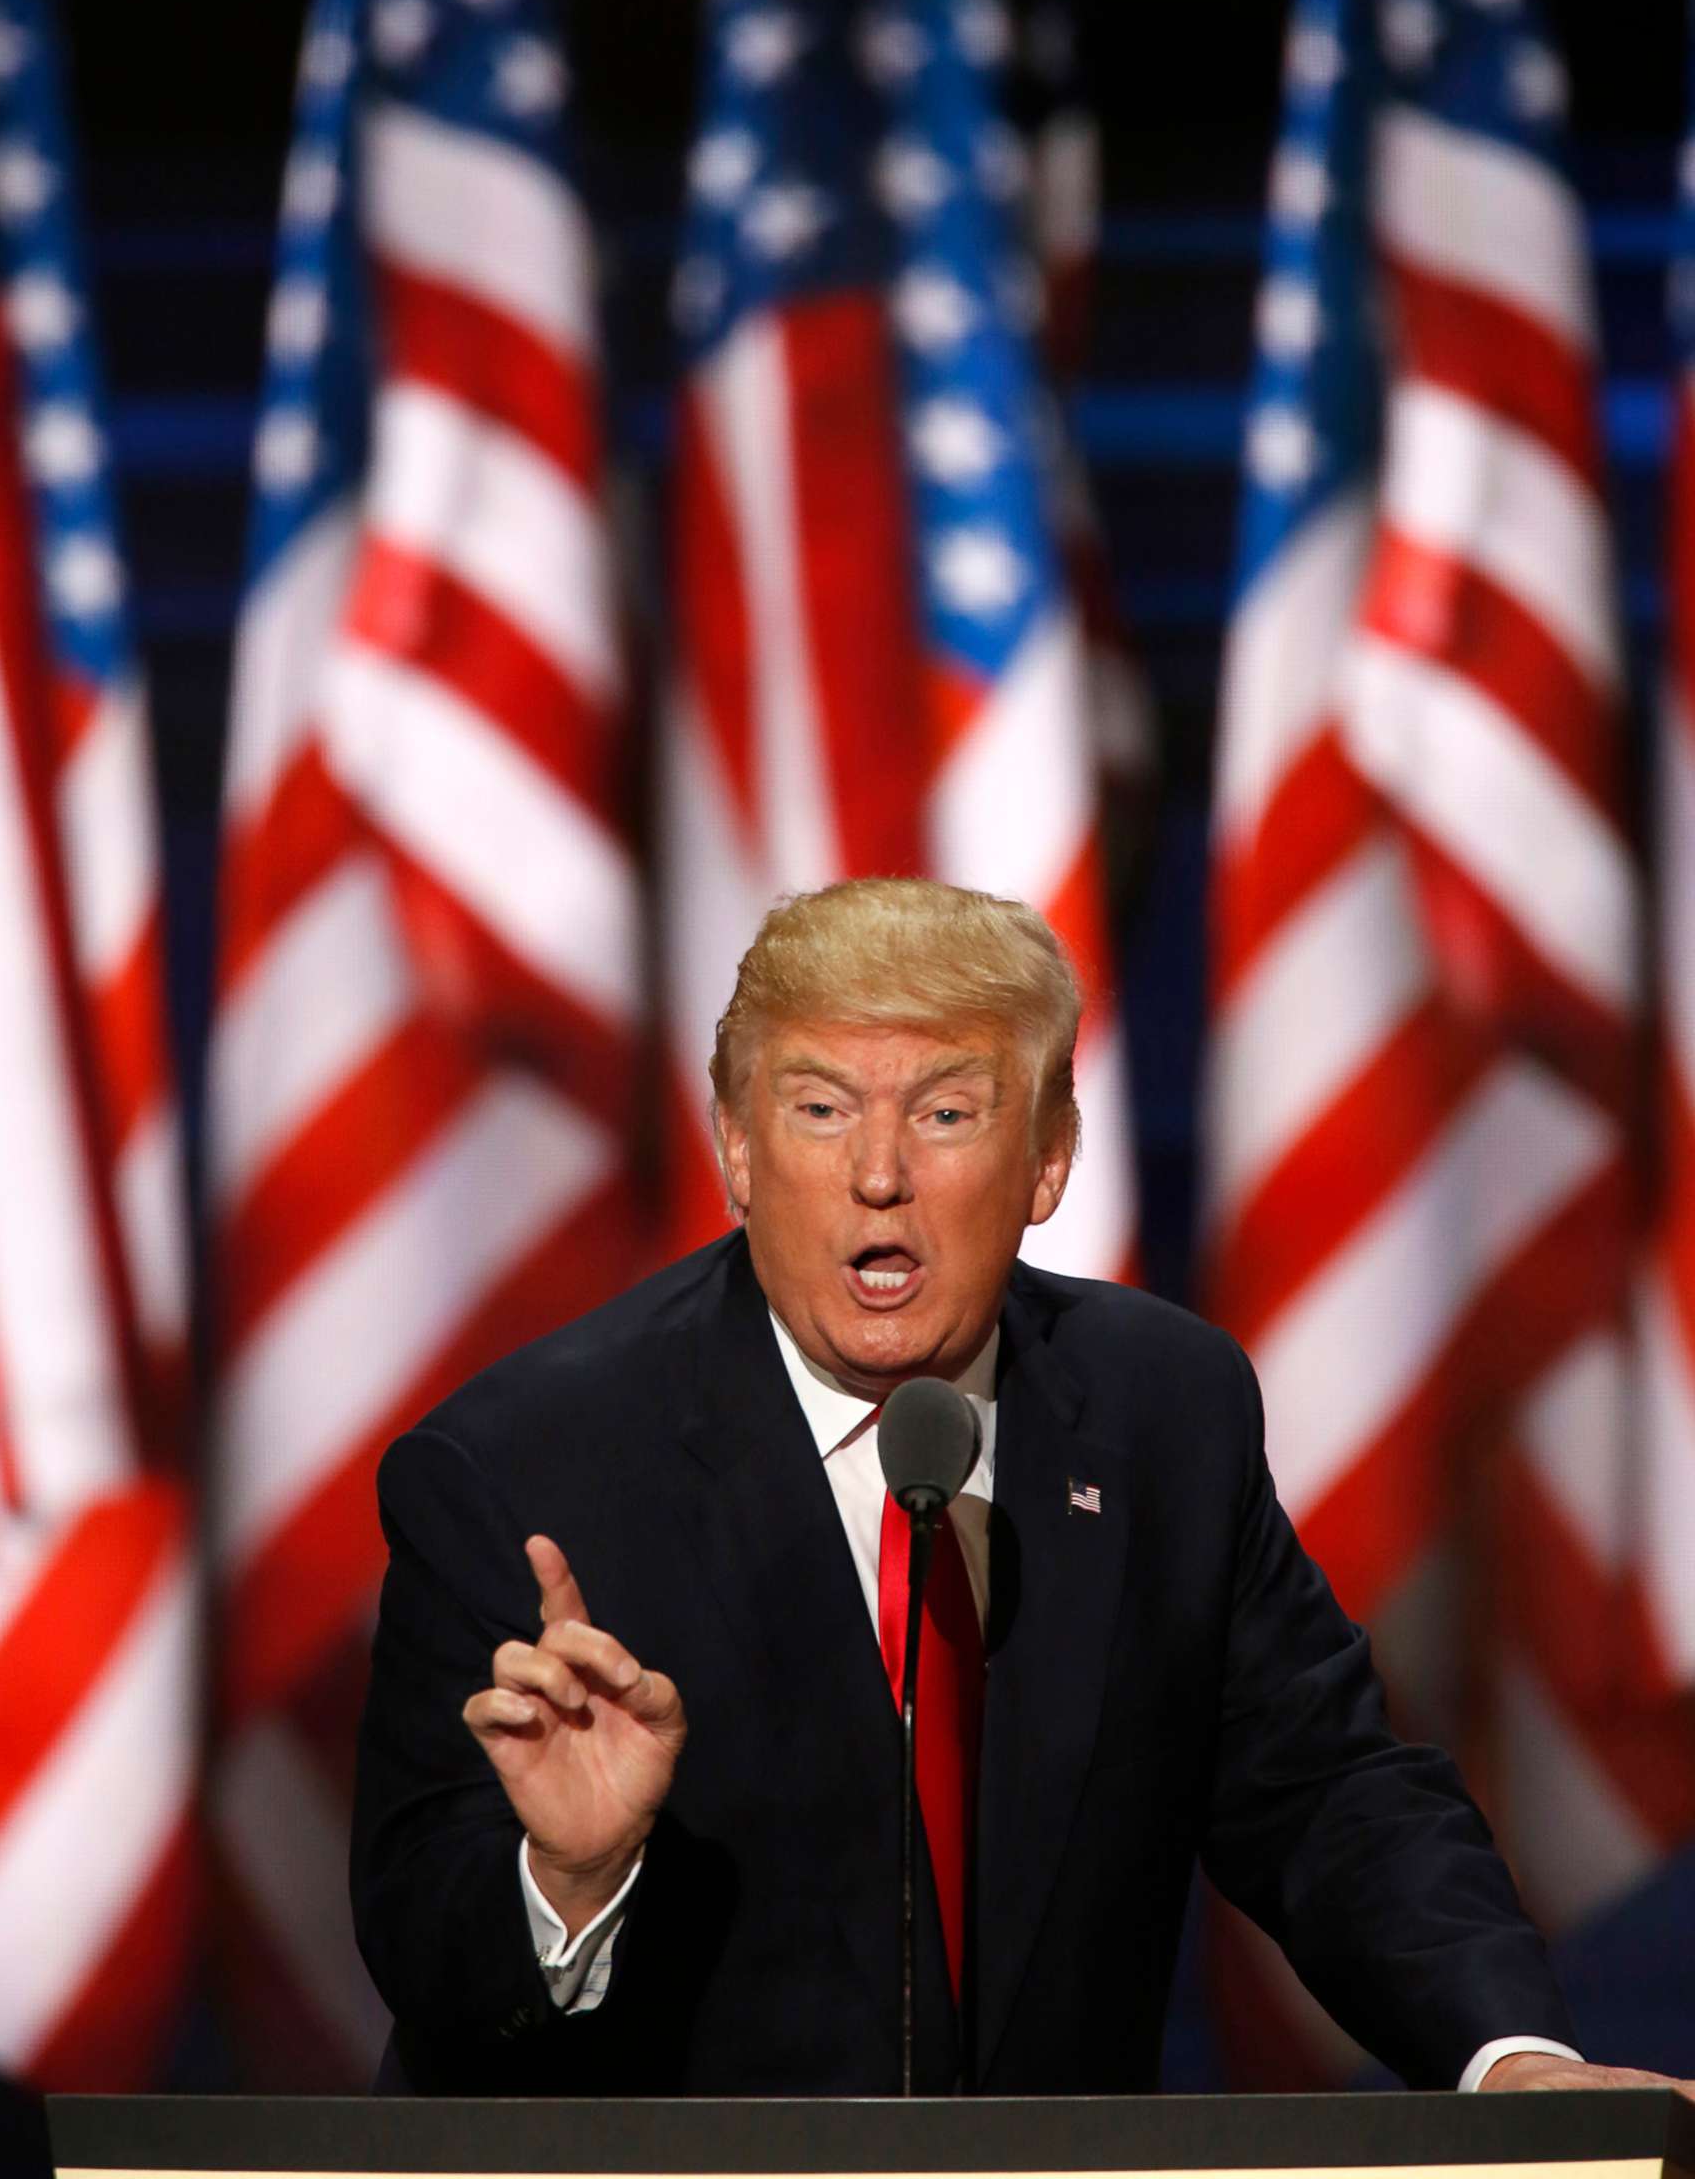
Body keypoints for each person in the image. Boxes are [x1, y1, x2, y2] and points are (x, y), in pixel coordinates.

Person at [351, 877, 1687, 2100]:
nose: (880, 1172)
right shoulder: (522, 1469)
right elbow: (423, 1945)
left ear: (1048, 1159)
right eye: (820, 1108)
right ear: (737, 1151)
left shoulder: (1163, 1414)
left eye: (944, 1112)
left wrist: (1507, 2060)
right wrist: (569, 1881)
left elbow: (1327, 1794)